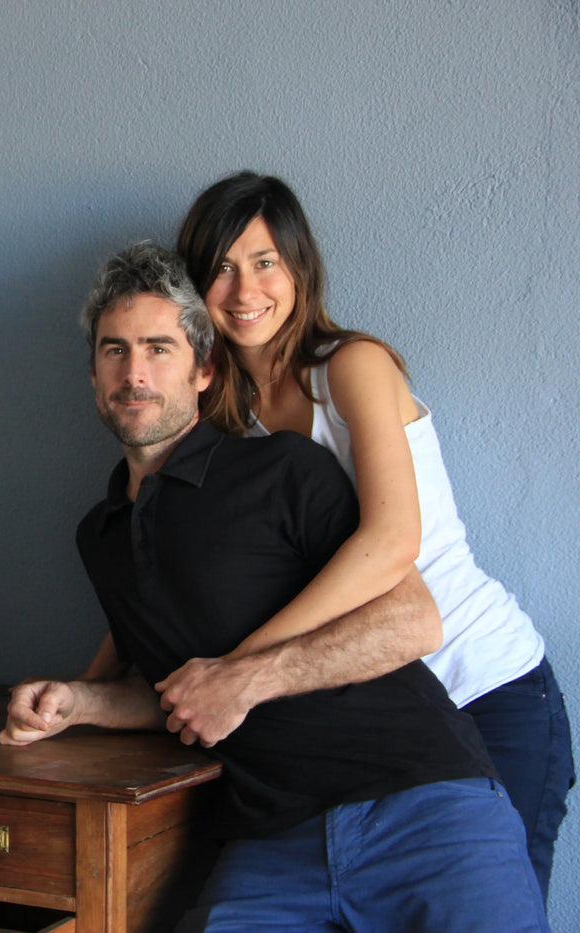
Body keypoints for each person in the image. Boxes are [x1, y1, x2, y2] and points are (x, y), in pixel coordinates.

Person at [0, 241, 548, 931]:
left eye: (157, 347)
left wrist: (247, 679)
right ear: (92, 374)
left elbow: (412, 619)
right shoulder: (100, 535)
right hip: (271, 840)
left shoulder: (282, 470)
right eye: (114, 350)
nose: (134, 372)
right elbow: (174, 686)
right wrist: (75, 701)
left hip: (423, 803)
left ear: (204, 369)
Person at [163, 171, 572, 902]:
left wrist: (239, 668)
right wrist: (90, 685)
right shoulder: (223, 423)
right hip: (380, 730)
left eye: (264, 262)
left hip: (486, 689)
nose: (244, 287)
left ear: (300, 269)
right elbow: (167, 557)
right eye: (221, 266)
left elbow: (391, 543)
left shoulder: (351, 367)